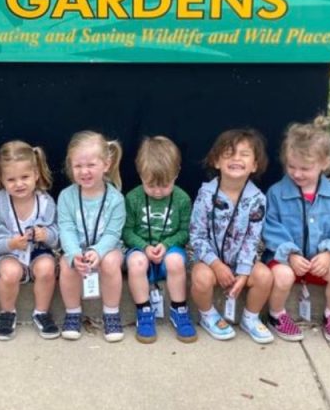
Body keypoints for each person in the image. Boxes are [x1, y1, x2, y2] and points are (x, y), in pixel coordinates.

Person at [262, 121, 330, 344]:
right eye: (291, 166)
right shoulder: (276, 193)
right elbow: (270, 226)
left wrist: (329, 254)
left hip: (319, 262)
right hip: (285, 260)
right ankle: (276, 315)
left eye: (305, 168)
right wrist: (290, 254)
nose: (297, 173)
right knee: (282, 276)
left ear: (325, 163)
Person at [189, 129, 274, 343]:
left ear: (254, 165)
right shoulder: (206, 194)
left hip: (241, 262)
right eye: (228, 154)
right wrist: (216, 265)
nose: (236, 158)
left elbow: (252, 239)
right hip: (210, 262)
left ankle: (250, 317)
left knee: (264, 276)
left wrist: (244, 272)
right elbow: (197, 236)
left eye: (244, 154)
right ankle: (208, 315)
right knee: (200, 278)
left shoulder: (257, 199)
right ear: (216, 162)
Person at [0, 140, 60, 341]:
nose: (19, 184)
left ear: (36, 174)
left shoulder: (45, 201)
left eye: (25, 177)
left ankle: (41, 312)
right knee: (10, 272)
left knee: (47, 267)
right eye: (11, 179)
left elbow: (56, 233)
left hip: (36, 250)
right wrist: (10, 243)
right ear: (2, 179)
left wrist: (46, 235)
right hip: (6, 253)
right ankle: (7, 312)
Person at [123, 136, 196, 343]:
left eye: (164, 185)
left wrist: (166, 244)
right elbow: (126, 232)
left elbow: (185, 231)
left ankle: (179, 309)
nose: (157, 191)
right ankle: (144, 310)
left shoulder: (182, 199)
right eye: (151, 185)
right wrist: (144, 247)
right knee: (136, 262)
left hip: (169, 251)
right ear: (140, 174)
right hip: (141, 251)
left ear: (176, 174)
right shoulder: (133, 198)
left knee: (175, 261)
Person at [57, 130, 126, 342]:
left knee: (110, 262)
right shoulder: (66, 196)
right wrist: (74, 253)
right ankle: (73, 313)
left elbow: (113, 232)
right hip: (77, 249)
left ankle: (111, 313)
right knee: (67, 264)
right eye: (78, 166)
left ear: (106, 164)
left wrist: (98, 251)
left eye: (91, 165)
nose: (84, 171)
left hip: (108, 249)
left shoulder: (115, 199)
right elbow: (66, 228)